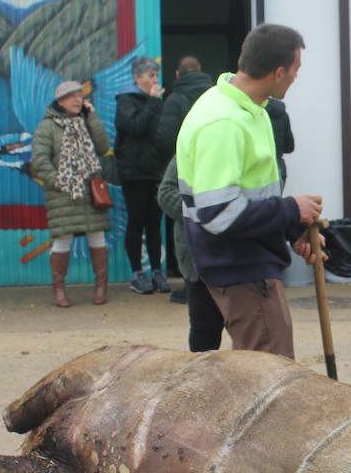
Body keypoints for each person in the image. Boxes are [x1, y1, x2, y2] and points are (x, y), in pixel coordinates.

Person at [176, 23, 323, 358]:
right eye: (296, 70)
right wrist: (289, 209)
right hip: (240, 267)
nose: (296, 78)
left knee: (255, 373)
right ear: (279, 72)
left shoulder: (249, 108)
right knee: (269, 375)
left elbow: (253, 194)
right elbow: (219, 213)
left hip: (245, 260)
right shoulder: (225, 122)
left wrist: (294, 229)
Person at [30, 80, 112, 308]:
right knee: (63, 238)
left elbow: (103, 147)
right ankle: (59, 289)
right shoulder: (47, 127)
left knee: (97, 235)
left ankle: (101, 286)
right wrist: (59, 181)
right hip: (63, 192)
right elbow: (39, 160)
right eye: (73, 96)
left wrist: (93, 118)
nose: (79, 100)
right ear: (60, 101)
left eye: (80, 95)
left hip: (91, 191)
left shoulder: (87, 120)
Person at [157, 54, 215, 287]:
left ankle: (183, 273)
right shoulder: (215, 97)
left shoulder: (175, 98)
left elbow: (164, 137)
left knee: (183, 228)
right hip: (213, 169)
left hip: (182, 167)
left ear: (177, 75)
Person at [115, 56, 170, 295]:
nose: (154, 80)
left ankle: (157, 271)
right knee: (136, 222)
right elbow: (136, 127)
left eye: (156, 75)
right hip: (134, 171)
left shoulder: (155, 102)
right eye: (149, 75)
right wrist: (153, 102)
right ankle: (137, 273)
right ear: (137, 78)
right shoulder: (126, 100)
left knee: (154, 224)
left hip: (155, 170)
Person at [158, 156, 224, 351]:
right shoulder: (190, 146)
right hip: (196, 253)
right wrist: (205, 216)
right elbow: (166, 192)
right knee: (204, 329)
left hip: (240, 253)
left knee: (245, 331)